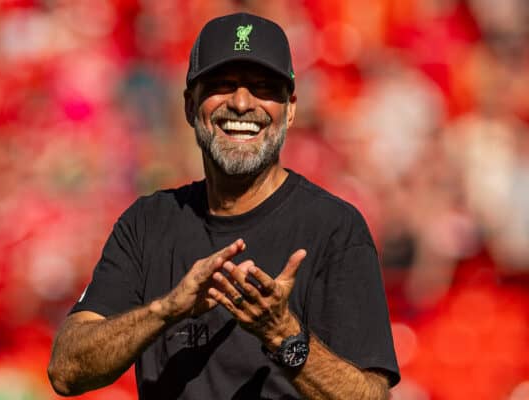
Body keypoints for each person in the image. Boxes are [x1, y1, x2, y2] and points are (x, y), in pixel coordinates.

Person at [48, 12, 400, 399]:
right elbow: (66, 371)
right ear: (189, 105)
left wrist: (283, 334)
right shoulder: (147, 223)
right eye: (222, 85)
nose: (241, 103)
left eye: (264, 88)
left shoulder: (335, 228)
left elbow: (372, 396)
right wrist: (166, 310)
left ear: (291, 108)